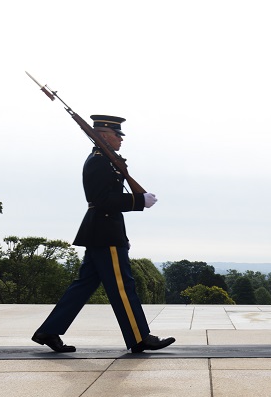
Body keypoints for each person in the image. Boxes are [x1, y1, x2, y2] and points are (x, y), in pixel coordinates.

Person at [31, 114, 175, 354]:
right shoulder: (98, 162)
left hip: (104, 231)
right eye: (117, 135)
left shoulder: (105, 161)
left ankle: (49, 331)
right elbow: (103, 200)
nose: (121, 139)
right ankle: (140, 337)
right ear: (104, 136)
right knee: (122, 286)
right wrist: (138, 200)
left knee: (83, 286)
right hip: (105, 233)